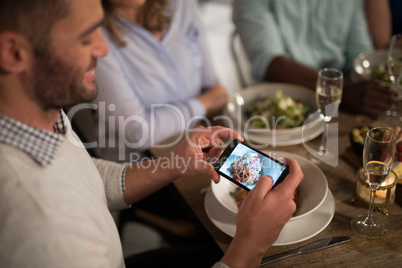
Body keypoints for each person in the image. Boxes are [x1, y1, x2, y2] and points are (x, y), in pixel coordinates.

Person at [0, 0, 303, 267]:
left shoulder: (42, 115)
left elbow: (87, 178)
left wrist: (170, 163)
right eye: (84, 38)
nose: (103, 48)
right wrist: (251, 246)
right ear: (13, 53)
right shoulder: (45, 233)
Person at [93, 0, 228, 162]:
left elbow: (213, 88)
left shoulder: (182, 4)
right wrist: (204, 104)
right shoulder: (95, 38)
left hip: (199, 144)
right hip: (140, 165)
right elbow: (138, 133)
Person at [233, 0, 399, 118]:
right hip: (279, 108)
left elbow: (359, 55)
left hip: (342, 107)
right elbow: (270, 62)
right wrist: (340, 93)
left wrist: (372, 91)